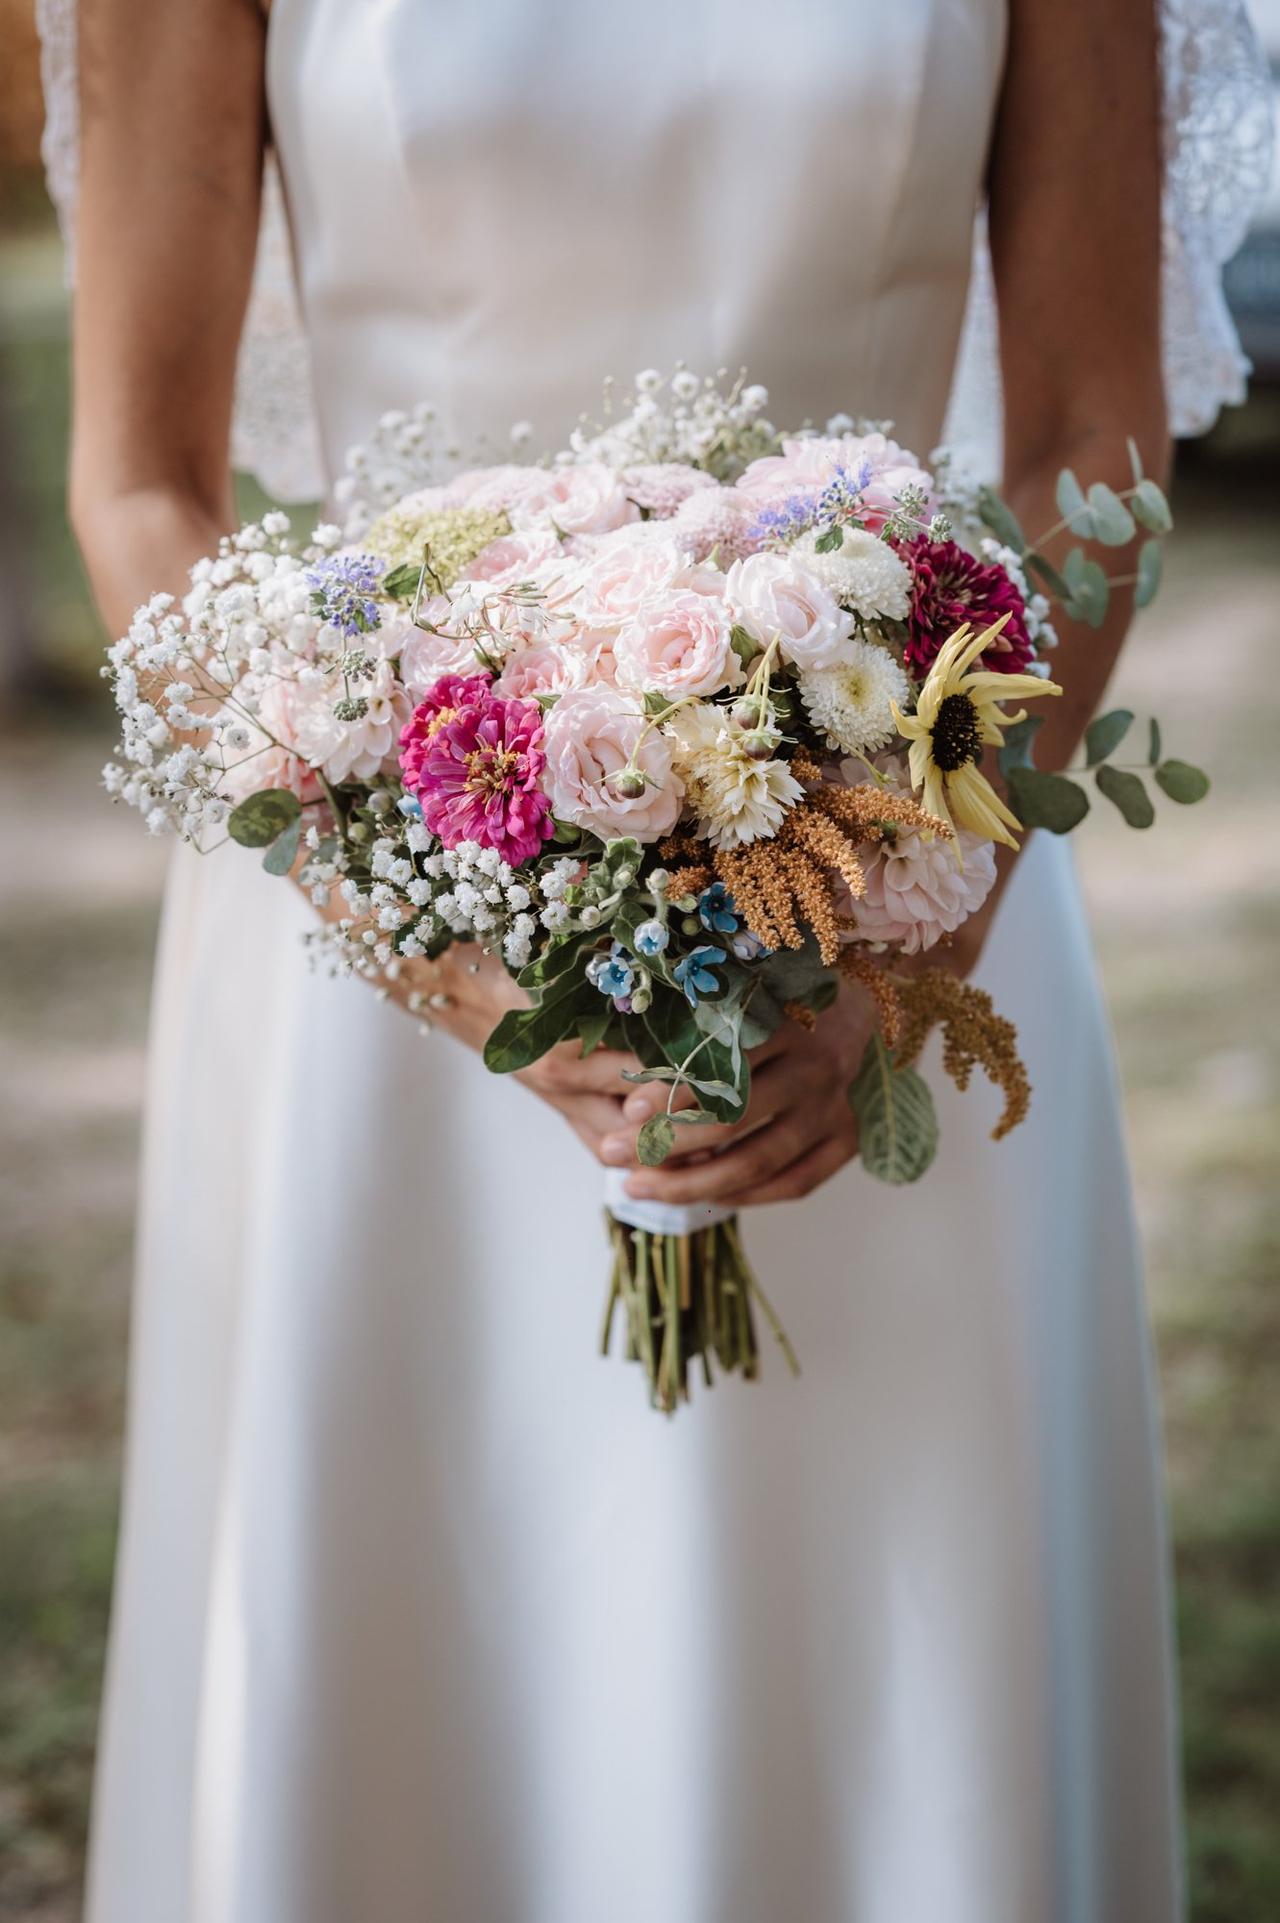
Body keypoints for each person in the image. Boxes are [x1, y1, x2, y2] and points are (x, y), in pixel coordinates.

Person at [39, 0, 1267, 1916]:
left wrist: (899, 928)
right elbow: (143, 490)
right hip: (374, 929)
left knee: (887, 1671)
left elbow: (1085, 440)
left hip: (897, 883)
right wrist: (433, 945)